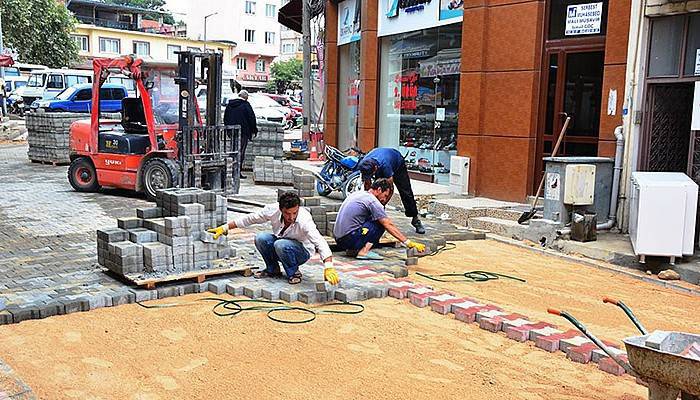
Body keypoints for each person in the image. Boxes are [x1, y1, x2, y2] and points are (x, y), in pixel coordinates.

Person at [208, 191, 339, 285]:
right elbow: (250, 219)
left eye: (295, 212)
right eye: (288, 213)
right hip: (282, 246)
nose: (292, 217)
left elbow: (319, 241)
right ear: (281, 209)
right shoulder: (272, 210)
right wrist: (225, 228)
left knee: (281, 244)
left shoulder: (305, 220)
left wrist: (329, 266)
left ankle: (294, 273)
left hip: (301, 252)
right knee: (261, 238)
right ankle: (273, 269)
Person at [334, 178, 425, 260]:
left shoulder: (360, 194)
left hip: (339, 240)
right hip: (349, 239)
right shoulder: (372, 201)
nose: (384, 200)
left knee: (372, 219)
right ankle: (363, 252)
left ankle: (353, 250)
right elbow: (388, 224)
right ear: (379, 190)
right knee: (380, 223)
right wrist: (408, 242)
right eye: (385, 195)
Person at [357, 147, 426, 234]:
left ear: (375, 169)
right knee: (376, 191)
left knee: (405, 191)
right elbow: (367, 185)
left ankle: (415, 219)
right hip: (380, 162)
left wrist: (382, 205)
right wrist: (370, 203)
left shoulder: (385, 166)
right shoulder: (364, 164)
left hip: (397, 163)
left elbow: (390, 189)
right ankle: (374, 218)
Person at [224, 90, 258, 179]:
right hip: (243, 132)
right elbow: (251, 118)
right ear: (246, 97)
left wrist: (228, 130)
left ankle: (229, 171)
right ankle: (237, 172)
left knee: (233, 151)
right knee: (241, 152)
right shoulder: (246, 105)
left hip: (232, 132)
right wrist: (254, 130)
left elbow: (225, 118)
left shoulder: (230, 105)